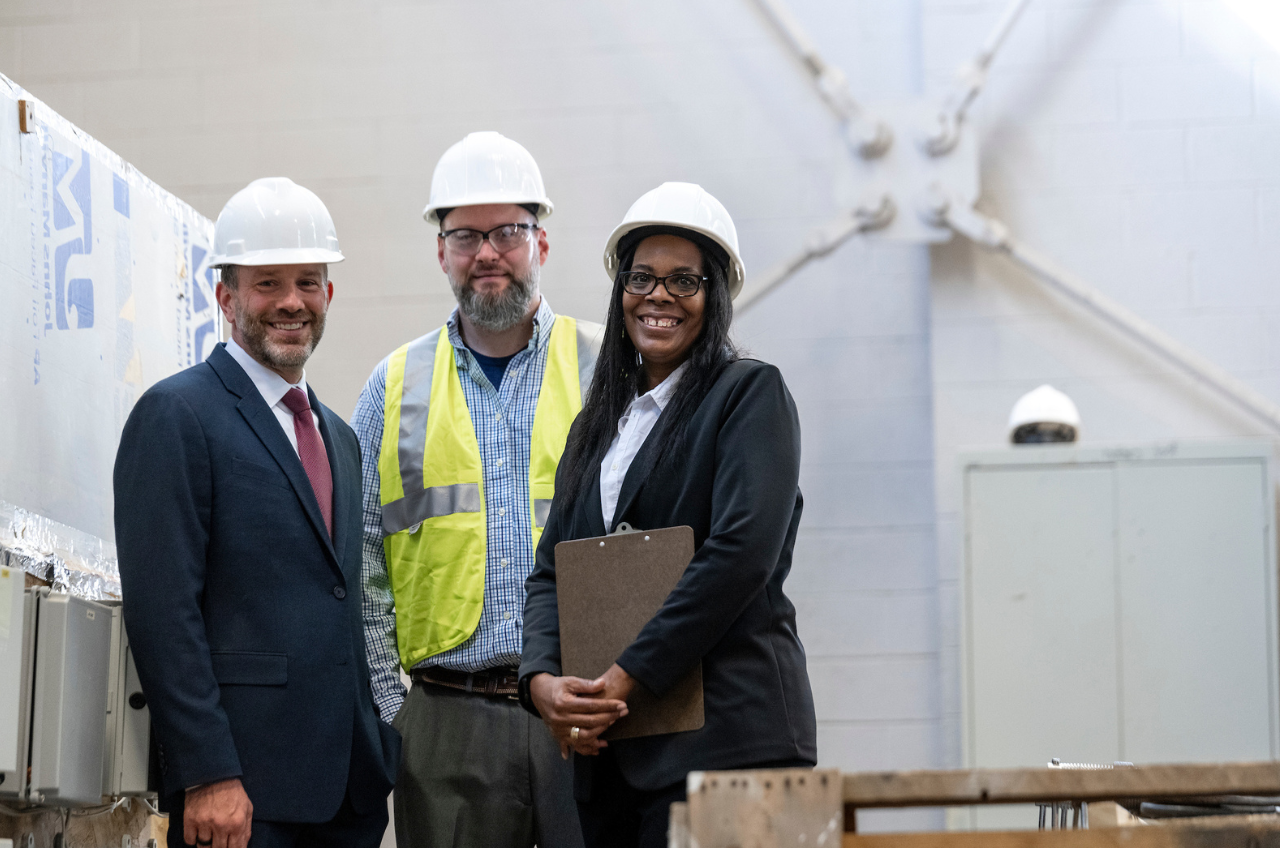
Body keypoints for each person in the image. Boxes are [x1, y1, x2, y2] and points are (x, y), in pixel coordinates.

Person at [519, 182, 818, 848]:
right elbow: (551, 573)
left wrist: (624, 677)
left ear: (716, 297)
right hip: (615, 761)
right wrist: (541, 681)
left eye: (684, 281)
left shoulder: (749, 395)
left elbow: (739, 555)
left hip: (731, 749)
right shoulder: (596, 429)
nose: (658, 296)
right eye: (641, 278)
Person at [115, 177, 400, 848]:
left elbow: (344, 599)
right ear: (226, 297)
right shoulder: (178, 414)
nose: (292, 301)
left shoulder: (340, 437)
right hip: (242, 795)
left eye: (308, 282)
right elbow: (163, 613)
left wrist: (382, 734)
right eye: (267, 283)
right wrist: (207, 772)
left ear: (329, 294)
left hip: (349, 794)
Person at [353, 131, 602, 847]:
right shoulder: (392, 385)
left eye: (507, 232)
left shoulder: (606, 369)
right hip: (446, 723)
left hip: (585, 711)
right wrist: (395, 712)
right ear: (442, 252)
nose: (487, 252)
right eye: (465, 235)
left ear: (541, 242)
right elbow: (362, 560)